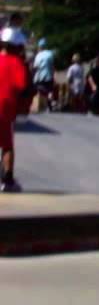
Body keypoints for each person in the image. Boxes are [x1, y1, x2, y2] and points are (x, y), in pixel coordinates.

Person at [0, 27, 32, 192]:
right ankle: (8, 180)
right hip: (5, 109)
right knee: (6, 145)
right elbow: (22, 87)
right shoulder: (17, 63)